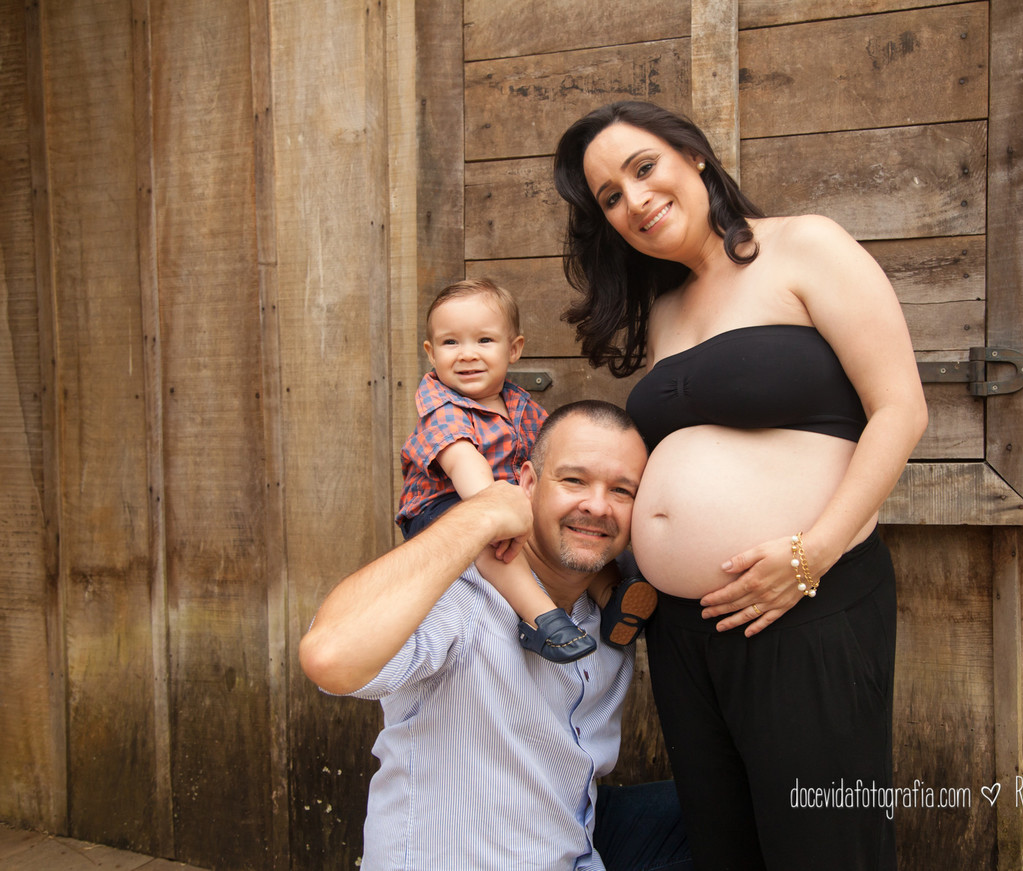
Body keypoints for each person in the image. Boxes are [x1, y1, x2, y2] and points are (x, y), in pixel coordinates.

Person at [553, 101, 929, 870]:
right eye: (610, 198)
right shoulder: (663, 308)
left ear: (692, 154)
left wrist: (811, 555)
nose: (634, 200)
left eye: (643, 167)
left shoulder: (804, 246)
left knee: (822, 846)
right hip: (685, 632)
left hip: (802, 600)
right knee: (723, 847)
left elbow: (901, 408)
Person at [300, 401, 691, 871]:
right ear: (526, 483)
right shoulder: (460, 597)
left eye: (622, 490)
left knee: (734, 809)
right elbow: (330, 656)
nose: (597, 505)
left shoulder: (615, 608)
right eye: (573, 480)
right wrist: (481, 513)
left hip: (574, 846)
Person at [397, 278, 655, 661]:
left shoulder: (519, 404)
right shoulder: (441, 406)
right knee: (489, 544)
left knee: (571, 525)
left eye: (484, 341)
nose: (467, 354)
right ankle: (539, 617)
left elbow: (546, 456)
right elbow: (466, 467)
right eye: (451, 343)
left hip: (504, 498)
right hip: (446, 507)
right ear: (431, 353)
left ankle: (611, 599)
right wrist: (498, 514)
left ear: (514, 349)